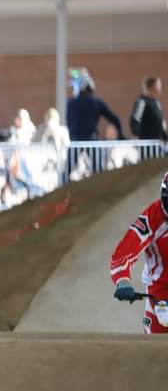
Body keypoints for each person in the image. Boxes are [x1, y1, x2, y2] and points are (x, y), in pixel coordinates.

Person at [110, 173, 168, 334]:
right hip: (161, 292)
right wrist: (123, 281)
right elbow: (127, 249)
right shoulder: (153, 216)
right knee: (157, 341)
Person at [67, 72, 124, 141]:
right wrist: (121, 135)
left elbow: (68, 121)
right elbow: (115, 119)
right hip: (91, 140)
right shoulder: (96, 102)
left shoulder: (71, 103)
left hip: (75, 140)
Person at [129, 76, 167, 144]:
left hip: (157, 143)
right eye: (159, 85)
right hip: (147, 143)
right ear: (154, 86)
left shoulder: (156, 103)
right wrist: (137, 136)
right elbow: (135, 119)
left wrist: (165, 136)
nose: (161, 87)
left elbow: (160, 122)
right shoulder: (142, 101)